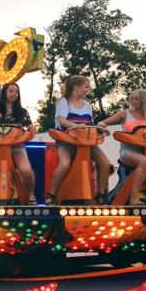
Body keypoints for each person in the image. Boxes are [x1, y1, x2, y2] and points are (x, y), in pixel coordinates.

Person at [47, 75, 111, 205]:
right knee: (64, 164)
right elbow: (62, 120)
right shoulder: (64, 101)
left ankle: (100, 194)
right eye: (86, 87)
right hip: (67, 140)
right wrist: (77, 126)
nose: (87, 90)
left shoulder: (87, 104)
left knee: (104, 163)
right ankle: (51, 194)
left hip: (86, 141)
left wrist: (98, 128)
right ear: (76, 87)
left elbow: (90, 124)